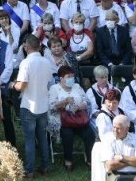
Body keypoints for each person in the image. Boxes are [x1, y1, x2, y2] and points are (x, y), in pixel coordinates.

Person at [14, 33, 52, 177]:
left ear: (26, 46)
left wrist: (13, 85)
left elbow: (22, 85)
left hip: (29, 104)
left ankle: (29, 170)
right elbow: (49, 82)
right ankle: (45, 166)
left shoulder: (26, 62)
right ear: (39, 46)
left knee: (29, 139)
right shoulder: (46, 62)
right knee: (42, 137)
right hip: (42, 104)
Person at [49, 65, 96, 171]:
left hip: (79, 119)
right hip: (63, 121)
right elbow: (52, 107)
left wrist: (79, 106)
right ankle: (68, 160)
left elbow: (87, 102)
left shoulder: (77, 87)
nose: (71, 79)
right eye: (68, 76)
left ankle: (90, 159)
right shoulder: (54, 88)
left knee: (89, 134)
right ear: (61, 78)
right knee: (67, 135)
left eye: (72, 76)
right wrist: (64, 102)